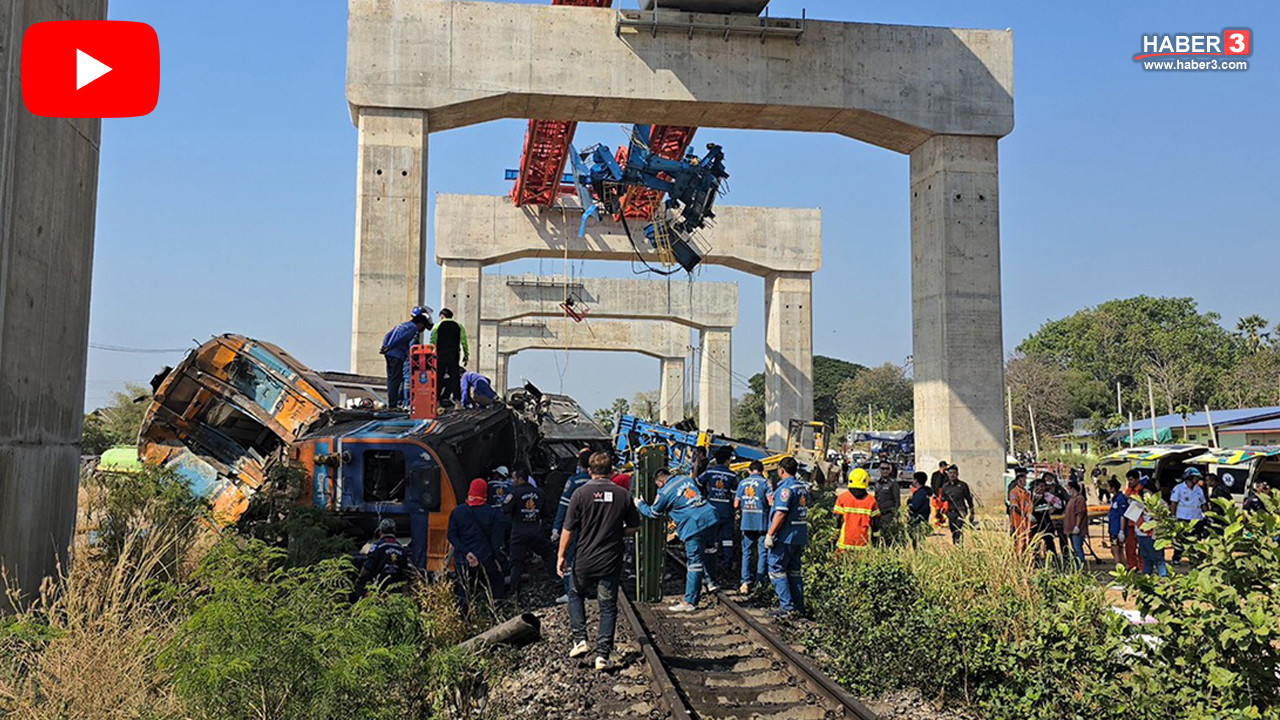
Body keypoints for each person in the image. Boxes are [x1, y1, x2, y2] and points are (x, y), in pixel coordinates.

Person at [557, 451, 641, 671]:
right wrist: (616, 532)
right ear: (611, 471)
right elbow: (634, 527)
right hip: (610, 560)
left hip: (584, 559)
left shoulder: (580, 494)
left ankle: (580, 639)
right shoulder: (622, 494)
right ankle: (602, 655)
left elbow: (568, 529)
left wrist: (561, 555)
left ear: (590, 470)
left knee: (575, 594)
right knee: (607, 606)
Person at [637, 468, 719, 612]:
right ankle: (711, 582)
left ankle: (690, 602)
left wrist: (640, 504)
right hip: (711, 515)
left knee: (694, 564)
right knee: (709, 549)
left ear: (661, 481)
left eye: (657, 485)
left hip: (694, 524)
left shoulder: (664, 492)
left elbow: (653, 513)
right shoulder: (686, 478)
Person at [447, 479, 507, 614]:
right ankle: (495, 613)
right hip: (485, 559)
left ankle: (465, 620)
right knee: (496, 583)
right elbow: (496, 541)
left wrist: (467, 553)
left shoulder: (457, 512)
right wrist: (497, 560)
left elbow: (451, 537)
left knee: (464, 591)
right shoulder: (492, 513)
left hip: (463, 560)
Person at [765, 457, 809, 618]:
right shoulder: (802, 487)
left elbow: (781, 513)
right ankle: (799, 606)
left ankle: (786, 607)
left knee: (776, 569)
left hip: (785, 536)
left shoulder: (785, 489)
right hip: (799, 535)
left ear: (781, 470)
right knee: (794, 571)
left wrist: (770, 534)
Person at [505, 467, 552, 602]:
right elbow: (546, 513)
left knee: (516, 563)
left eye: (514, 478)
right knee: (548, 554)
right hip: (535, 530)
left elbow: (505, 509)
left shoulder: (515, 494)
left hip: (519, 532)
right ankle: (555, 578)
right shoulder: (540, 493)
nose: (512, 481)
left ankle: (515, 592)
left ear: (520, 479)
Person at [551, 450, 593, 603]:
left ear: (579, 464)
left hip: (575, 526)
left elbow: (564, 505)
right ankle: (586, 589)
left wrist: (556, 528)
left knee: (569, 557)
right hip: (592, 527)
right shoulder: (596, 482)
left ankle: (570, 592)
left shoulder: (573, 482)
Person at [697, 446, 738, 585]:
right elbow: (734, 494)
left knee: (711, 539)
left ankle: (711, 566)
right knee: (727, 539)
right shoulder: (732, 475)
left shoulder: (710, 471)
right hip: (726, 510)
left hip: (711, 510)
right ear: (727, 460)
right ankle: (726, 564)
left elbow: (698, 482)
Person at [378, 306, 432, 409]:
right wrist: (390, 346)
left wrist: (385, 346)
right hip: (397, 355)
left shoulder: (403, 325)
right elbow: (401, 338)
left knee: (391, 379)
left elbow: (388, 335)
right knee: (396, 380)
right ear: (420, 324)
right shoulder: (413, 328)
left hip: (389, 354)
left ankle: (392, 403)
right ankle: (393, 405)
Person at [734, 460, 771, 594]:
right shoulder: (765, 483)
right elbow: (771, 501)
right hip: (761, 521)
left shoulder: (742, 483)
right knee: (762, 552)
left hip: (747, 522)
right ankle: (760, 583)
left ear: (750, 471)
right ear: (761, 471)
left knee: (747, 552)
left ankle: (745, 583)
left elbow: (736, 504)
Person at [356, 519, 410, 596]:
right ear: (394, 532)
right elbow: (405, 574)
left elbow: (367, 568)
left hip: (376, 592)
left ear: (380, 531)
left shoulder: (377, 547)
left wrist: (359, 579)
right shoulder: (402, 549)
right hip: (395, 594)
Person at [430, 308, 469, 407]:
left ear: (442, 316)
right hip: (454, 355)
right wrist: (466, 355)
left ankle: (437, 401)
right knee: (454, 377)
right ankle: (458, 402)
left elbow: (433, 341)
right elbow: (464, 341)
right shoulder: (459, 326)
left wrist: (431, 354)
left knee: (439, 377)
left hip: (441, 355)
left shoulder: (437, 326)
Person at [833, 468, 880, 550]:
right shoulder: (871, 500)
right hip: (863, 544)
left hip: (844, 543)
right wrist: (876, 539)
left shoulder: (842, 498)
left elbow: (836, 519)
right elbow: (876, 523)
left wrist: (833, 537)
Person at [1169, 467, 1207, 564]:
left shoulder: (1199, 489)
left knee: (1195, 539)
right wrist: (1173, 517)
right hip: (1183, 518)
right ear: (1189, 477)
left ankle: (1193, 558)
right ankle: (1176, 558)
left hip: (1196, 518)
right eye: (1196, 477)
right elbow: (1174, 503)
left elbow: (1203, 504)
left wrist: (1208, 515)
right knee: (1180, 540)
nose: (1198, 479)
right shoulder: (1179, 488)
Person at [939, 464, 975, 544]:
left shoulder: (962, 485)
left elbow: (969, 499)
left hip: (960, 511)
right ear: (948, 474)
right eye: (950, 473)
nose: (952, 475)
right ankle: (955, 544)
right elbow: (942, 499)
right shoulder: (945, 487)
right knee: (953, 531)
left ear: (957, 474)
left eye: (954, 473)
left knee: (959, 529)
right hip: (950, 512)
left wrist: (972, 512)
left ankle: (960, 546)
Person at [1134, 503, 1168, 577]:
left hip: (1154, 534)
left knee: (1158, 558)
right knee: (1146, 557)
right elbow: (1134, 516)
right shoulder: (1136, 503)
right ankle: (1147, 577)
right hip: (1141, 534)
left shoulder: (1159, 503)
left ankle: (1163, 577)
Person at [872, 461, 901, 545]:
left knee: (888, 537)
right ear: (879, 470)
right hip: (878, 515)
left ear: (890, 470)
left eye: (887, 469)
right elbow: (876, 498)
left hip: (888, 514)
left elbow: (897, 501)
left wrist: (894, 515)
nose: (885, 471)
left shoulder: (893, 483)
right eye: (883, 468)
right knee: (877, 537)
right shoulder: (877, 483)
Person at [1007, 467, 1033, 555]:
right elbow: (1014, 505)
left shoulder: (1026, 492)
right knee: (1019, 540)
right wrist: (1025, 514)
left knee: (1028, 540)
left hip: (1027, 521)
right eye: (1023, 479)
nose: (1025, 481)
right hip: (1018, 519)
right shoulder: (1014, 489)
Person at [1064, 481, 1089, 568]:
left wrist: (1077, 526)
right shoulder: (1072, 499)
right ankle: (1077, 566)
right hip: (1071, 528)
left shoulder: (1079, 499)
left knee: (1078, 549)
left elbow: (1080, 513)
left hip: (1077, 529)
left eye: (1068, 488)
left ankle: (1080, 567)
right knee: (1075, 548)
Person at [1106, 478, 1129, 567]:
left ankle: (1119, 567)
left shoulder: (1121, 499)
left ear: (1113, 488)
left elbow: (1122, 515)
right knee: (1118, 550)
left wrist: (1121, 531)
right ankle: (1126, 567)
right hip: (1113, 528)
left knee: (1115, 549)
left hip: (1117, 529)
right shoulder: (1114, 499)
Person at [906, 471, 932, 547]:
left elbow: (914, 507)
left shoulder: (920, 493)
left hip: (918, 522)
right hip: (922, 520)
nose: (912, 481)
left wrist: (909, 502)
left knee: (917, 543)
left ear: (916, 481)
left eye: (913, 479)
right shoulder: (924, 492)